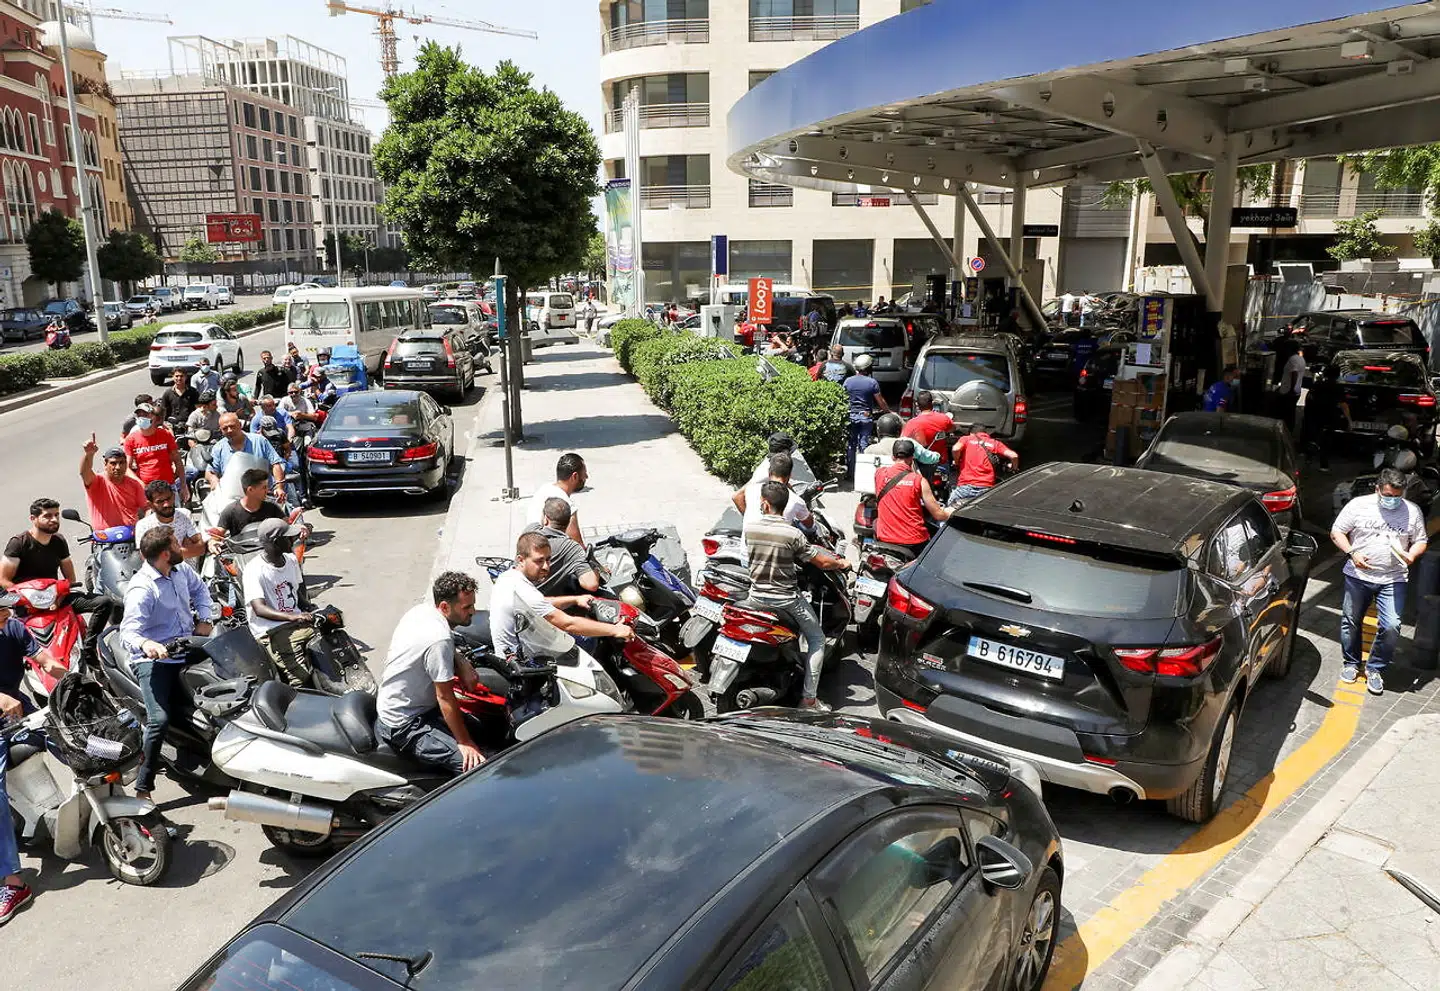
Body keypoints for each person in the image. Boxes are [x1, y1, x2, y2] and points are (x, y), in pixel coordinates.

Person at [119, 525, 215, 800]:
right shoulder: (142, 589)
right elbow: (128, 633)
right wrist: (148, 645)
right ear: (164, 553)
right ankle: (143, 786)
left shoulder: (181, 570)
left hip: (189, 646)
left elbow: (201, 592)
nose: (181, 546)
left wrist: (205, 619)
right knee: (159, 720)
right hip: (156, 661)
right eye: (176, 543)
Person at [744, 481, 851, 711]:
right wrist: (841, 562)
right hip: (786, 599)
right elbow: (821, 561)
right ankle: (809, 699)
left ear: (764, 503)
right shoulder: (792, 534)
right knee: (817, 639)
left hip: (754, 597)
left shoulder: (750, 528)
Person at [0, 589, 69, 925]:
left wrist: (70, 678)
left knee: (71, 737)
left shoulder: (12, 627)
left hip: (18, 708)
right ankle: (13, 882)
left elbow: (43, 660)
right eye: (1, 611)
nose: (6, 615)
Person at [376, 572, 488, 775]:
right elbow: (445, 697)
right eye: (466, 607)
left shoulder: (423, 611)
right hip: (406, 723)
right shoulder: (439, 640)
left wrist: (461, 662)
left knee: (485, 728)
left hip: (414, 706)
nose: (473, 611)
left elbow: (444, 641)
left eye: (472, 605)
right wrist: (464, 742)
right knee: (477, 768)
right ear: (445, 606)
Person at [1331, 468, 1428, 697]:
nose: (1393, 500)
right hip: (1358, 577)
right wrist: (1352, 552)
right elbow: (1337, 532)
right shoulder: (1357, 506)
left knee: (1392, 625)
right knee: (1351, 621)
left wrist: (1412, 554)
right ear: (1377, 489)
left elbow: (1421, 540)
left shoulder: (1412, 512)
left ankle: (1375, 668)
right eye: (1388, 495)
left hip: (1393, 578)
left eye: (1397, 496)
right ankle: (1352, 663)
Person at [488, 532, 633, 661]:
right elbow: (568, 623)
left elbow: (542, 602)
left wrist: (575, 599)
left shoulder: (508, 577)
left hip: (520, 647)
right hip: (522, 662)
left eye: (548, 559)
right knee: (588, 640)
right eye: (539, 561)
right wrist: (615, 630)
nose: (546, 566)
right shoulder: (524, 591)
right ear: (520, 560)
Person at [242, 519, 316, 686]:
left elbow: (298, 595)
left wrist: (311, 609)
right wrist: (292, 617)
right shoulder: (254, 570)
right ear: (276, 542)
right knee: (301, 677)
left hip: (298, 623)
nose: (293, 539)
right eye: (288, 537)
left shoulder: (291, 560)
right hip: (271, 631)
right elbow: (259, 609)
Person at [873, 440, 951, 556]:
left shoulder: (879, 474)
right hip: (914, 542)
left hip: (884, 538)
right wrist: (952, 511)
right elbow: (939, 514)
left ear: (893, 457)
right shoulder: (918, 480)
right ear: (912, 458)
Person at [519, 497, 600, 596]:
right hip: (537, 603)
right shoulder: (570, 548)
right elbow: (591, 584)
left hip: (516, 590)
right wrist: (596, 568)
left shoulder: (530, 529)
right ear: (569, 521)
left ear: (546, 519)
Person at [734, 452, 813, 535]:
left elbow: (736, 497)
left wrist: (748, 516)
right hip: (777, 546)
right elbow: (809, 524)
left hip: (747, 547)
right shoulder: (796, 501)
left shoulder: (751, 489)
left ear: (769, 473)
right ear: (789, 476)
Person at [79, 435, 148, 530]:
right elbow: (84, 472)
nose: (118, 467)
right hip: (104, 539)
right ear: (105, 464)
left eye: (121, 463)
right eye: (113, 463)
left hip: (131, 536)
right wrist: (89, 454)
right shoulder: (97, 481)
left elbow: (146, 508)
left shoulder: (134, 484)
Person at [207, 413, 285, 496]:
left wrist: (279, 487)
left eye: (232, 426)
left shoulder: (259, 441)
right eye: (225, 428)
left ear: (240, 425)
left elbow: (275, 464)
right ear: (221, 430)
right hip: (232, 496)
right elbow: (210, 471)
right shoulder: (218, 448)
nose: (229, 430)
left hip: (262, 494)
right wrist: (213, 479)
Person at [123, 401, 185, 501]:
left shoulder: (165, 434)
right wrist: (140, 484)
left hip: (168, 485)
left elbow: (178, 460)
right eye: (139, 414)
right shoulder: (131, 439)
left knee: (173, 514)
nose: (142, 417)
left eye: (145, 414)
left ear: (153, 417)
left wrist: (183, 486)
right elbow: (127, 468)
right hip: (147, 488)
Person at [843, 353, 891, 478]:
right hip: (865, 417)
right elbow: (880, 402)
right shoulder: (872, 383)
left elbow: (842, 398)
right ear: (868, 368)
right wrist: (889, 413)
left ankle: (851, 473)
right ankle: (863, 473)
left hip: (851, 416)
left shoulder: (848, 381)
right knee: (864, 444)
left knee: (851, 444)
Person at [211, 468, 286, 547]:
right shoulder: (231, 511)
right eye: (264, 487)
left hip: (269, 554)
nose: (267, 490)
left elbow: (287, 525)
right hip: (242, 555)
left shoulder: (272, 508)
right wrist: (212, 542)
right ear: (250, 490)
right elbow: (218, 534)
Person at [950, 423, 1020, 505]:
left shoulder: (966, 439)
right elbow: (1014, 456)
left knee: (948, 512)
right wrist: (1014, 468)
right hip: (986, 489)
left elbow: (955, 449)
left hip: (965, 488)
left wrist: (957, 461)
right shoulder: (994, 443)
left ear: (971, 433)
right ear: (985, 433)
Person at [526, 453, 587, 545]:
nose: (586, 477)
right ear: (574, 476)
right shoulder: (565, 506)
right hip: (545, 553)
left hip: (529, 547)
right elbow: (577, 546)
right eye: (584, 473)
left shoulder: (545, 488)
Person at [134, 480, 205, 560]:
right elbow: (146, 558)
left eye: (168, 499)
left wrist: (162, 555)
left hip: (188, 570)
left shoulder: (185, 515)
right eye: (160, 502)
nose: (166, 504)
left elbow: (201, 548)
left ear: (174, 496)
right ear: (150, 505)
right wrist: (185, 551)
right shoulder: (143, 525)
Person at [1302, 363, 1350, 471]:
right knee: (1326, 439)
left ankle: (1309, 457)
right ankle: (1324, 464)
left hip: (1315, 414)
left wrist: (1307, 411)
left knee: (1313, 435)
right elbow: (1343, 405)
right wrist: (1349, 420)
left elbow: (1309, 397)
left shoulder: (1318, 384)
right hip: (1329, 416)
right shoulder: (1338, 387)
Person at [902, 391, 957, 463]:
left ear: (917, 405)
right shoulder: (944, 418)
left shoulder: (911, 423)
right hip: (941, 462)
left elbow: (903, 442)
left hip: (920, 464)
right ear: (932, 403)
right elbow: (953, 428)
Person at [1276, 341, 1308, 430]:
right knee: (1290, 414)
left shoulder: (1293, 359)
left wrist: (1291, 389)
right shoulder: (1301, 359)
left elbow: (1294, 373)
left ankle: (1284, 431)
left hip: (1288, 391)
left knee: (1284, 414)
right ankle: (1289, 431)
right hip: (1295, 390)